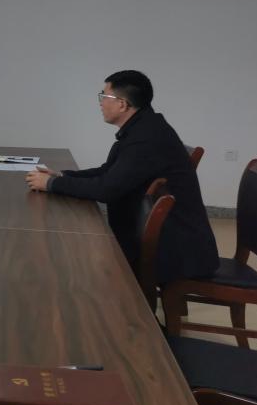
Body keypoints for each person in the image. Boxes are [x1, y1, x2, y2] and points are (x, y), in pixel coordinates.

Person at [25, 70, 218, 283]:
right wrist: (61, 175)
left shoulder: (146, 139)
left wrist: (52, 184)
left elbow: (106, 190)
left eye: (104, 96)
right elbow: (108, 171)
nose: (100, 103)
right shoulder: (144, 127)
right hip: (163, 240)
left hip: (175, 253)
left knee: (71, 265)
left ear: (122, 104)